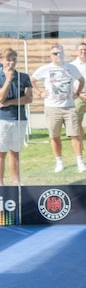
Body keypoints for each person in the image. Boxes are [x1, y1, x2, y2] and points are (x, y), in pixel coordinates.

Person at [31, 43, 86, 173]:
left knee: (75, 134)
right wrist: (40, 93)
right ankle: (59, 162)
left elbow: (82, 80)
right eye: (55, 53)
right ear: (50, 56)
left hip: (69, 107)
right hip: (52, 108)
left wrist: (77, 93)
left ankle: (80, 162)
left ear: (64, 54)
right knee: (54, 136)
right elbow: (32, 80)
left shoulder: (70, 67)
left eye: (60, 53)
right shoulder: (45, 69)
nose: (58, 55)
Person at [0, 48, 33, 186]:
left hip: (19, 119)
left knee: (15, 151)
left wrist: (10, 102)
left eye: (14, 59)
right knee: (1, 152)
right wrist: (8, 80)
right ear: (1, 60)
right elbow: (1, 98)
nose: (11, 63)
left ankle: (16, 181)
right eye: (8, 59)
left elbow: (29, 98)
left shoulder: (24, 77)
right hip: (3, 119)